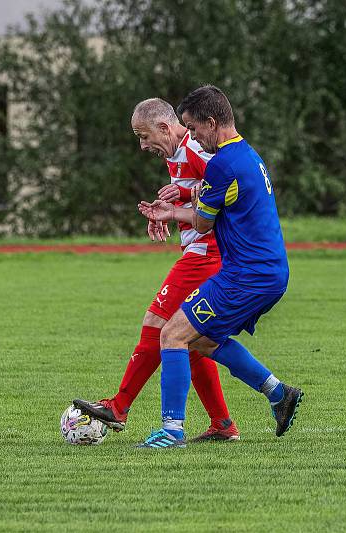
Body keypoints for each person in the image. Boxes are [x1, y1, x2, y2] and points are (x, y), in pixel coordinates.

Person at [135, 85, 303, 448]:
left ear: (211, 123)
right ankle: (280, 394)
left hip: (246, 275)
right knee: (204, 342)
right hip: (267, 272)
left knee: (172, 334)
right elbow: (207, 214)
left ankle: (171, 431)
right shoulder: (247, 154)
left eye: (194, 129)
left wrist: (175, 210)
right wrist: (178, 208)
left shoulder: (222, 164)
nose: (192, 137)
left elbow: (202, 224)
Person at [73, 98, 240, 442]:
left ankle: (118, 407)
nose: (143, 145)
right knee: (190, 340)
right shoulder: (175, 153)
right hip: (203, 250)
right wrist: (168, 209)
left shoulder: (195, 147)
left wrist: (181, 193)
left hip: (207, 253)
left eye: (144, 136)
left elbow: (229, 185)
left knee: (157, 321)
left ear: (165, 128)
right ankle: (224, 424)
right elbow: (198, 192)